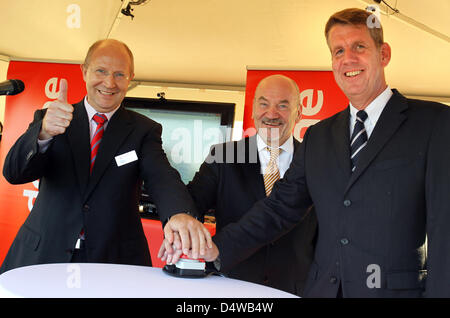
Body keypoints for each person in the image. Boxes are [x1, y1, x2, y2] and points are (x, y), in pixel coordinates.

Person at [165, 8, 450, 298]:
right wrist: (218, 248)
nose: (347, 58)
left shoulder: (434, 124)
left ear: (384, 54)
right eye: (338, 51)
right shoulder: (319, 137)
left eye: (359, 47)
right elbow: (280, 207)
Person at [1, 39, 211, 274]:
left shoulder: (143, 130)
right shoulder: (51, 117)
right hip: (43, 254)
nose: (109, 82)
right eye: (101, 71)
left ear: (131, 77)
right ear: (84, 71)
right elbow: (14, 173)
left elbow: (162, 177)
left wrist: (179, 213)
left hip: (114, 260)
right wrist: (44, 133)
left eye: (119, 74)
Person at [160, 74, 317, 296]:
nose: (271, 114)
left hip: (294, 289)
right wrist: (179, 225)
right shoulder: (224, 156)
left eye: (282, 105)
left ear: (299, 112)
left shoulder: (316, 162)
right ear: (253, 109)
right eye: (263, 104)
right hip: (231, 287)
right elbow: (191, 203)